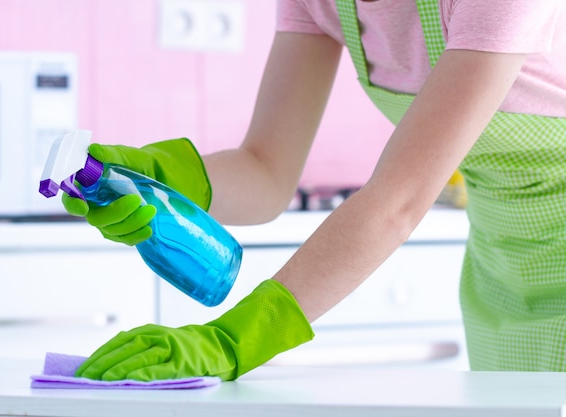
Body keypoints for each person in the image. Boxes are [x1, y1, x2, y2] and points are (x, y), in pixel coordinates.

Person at [63, 0, 566, 381]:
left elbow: (398, 203)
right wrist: (159, 175)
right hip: (501, 278)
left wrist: (237, 339)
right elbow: (265, 171)